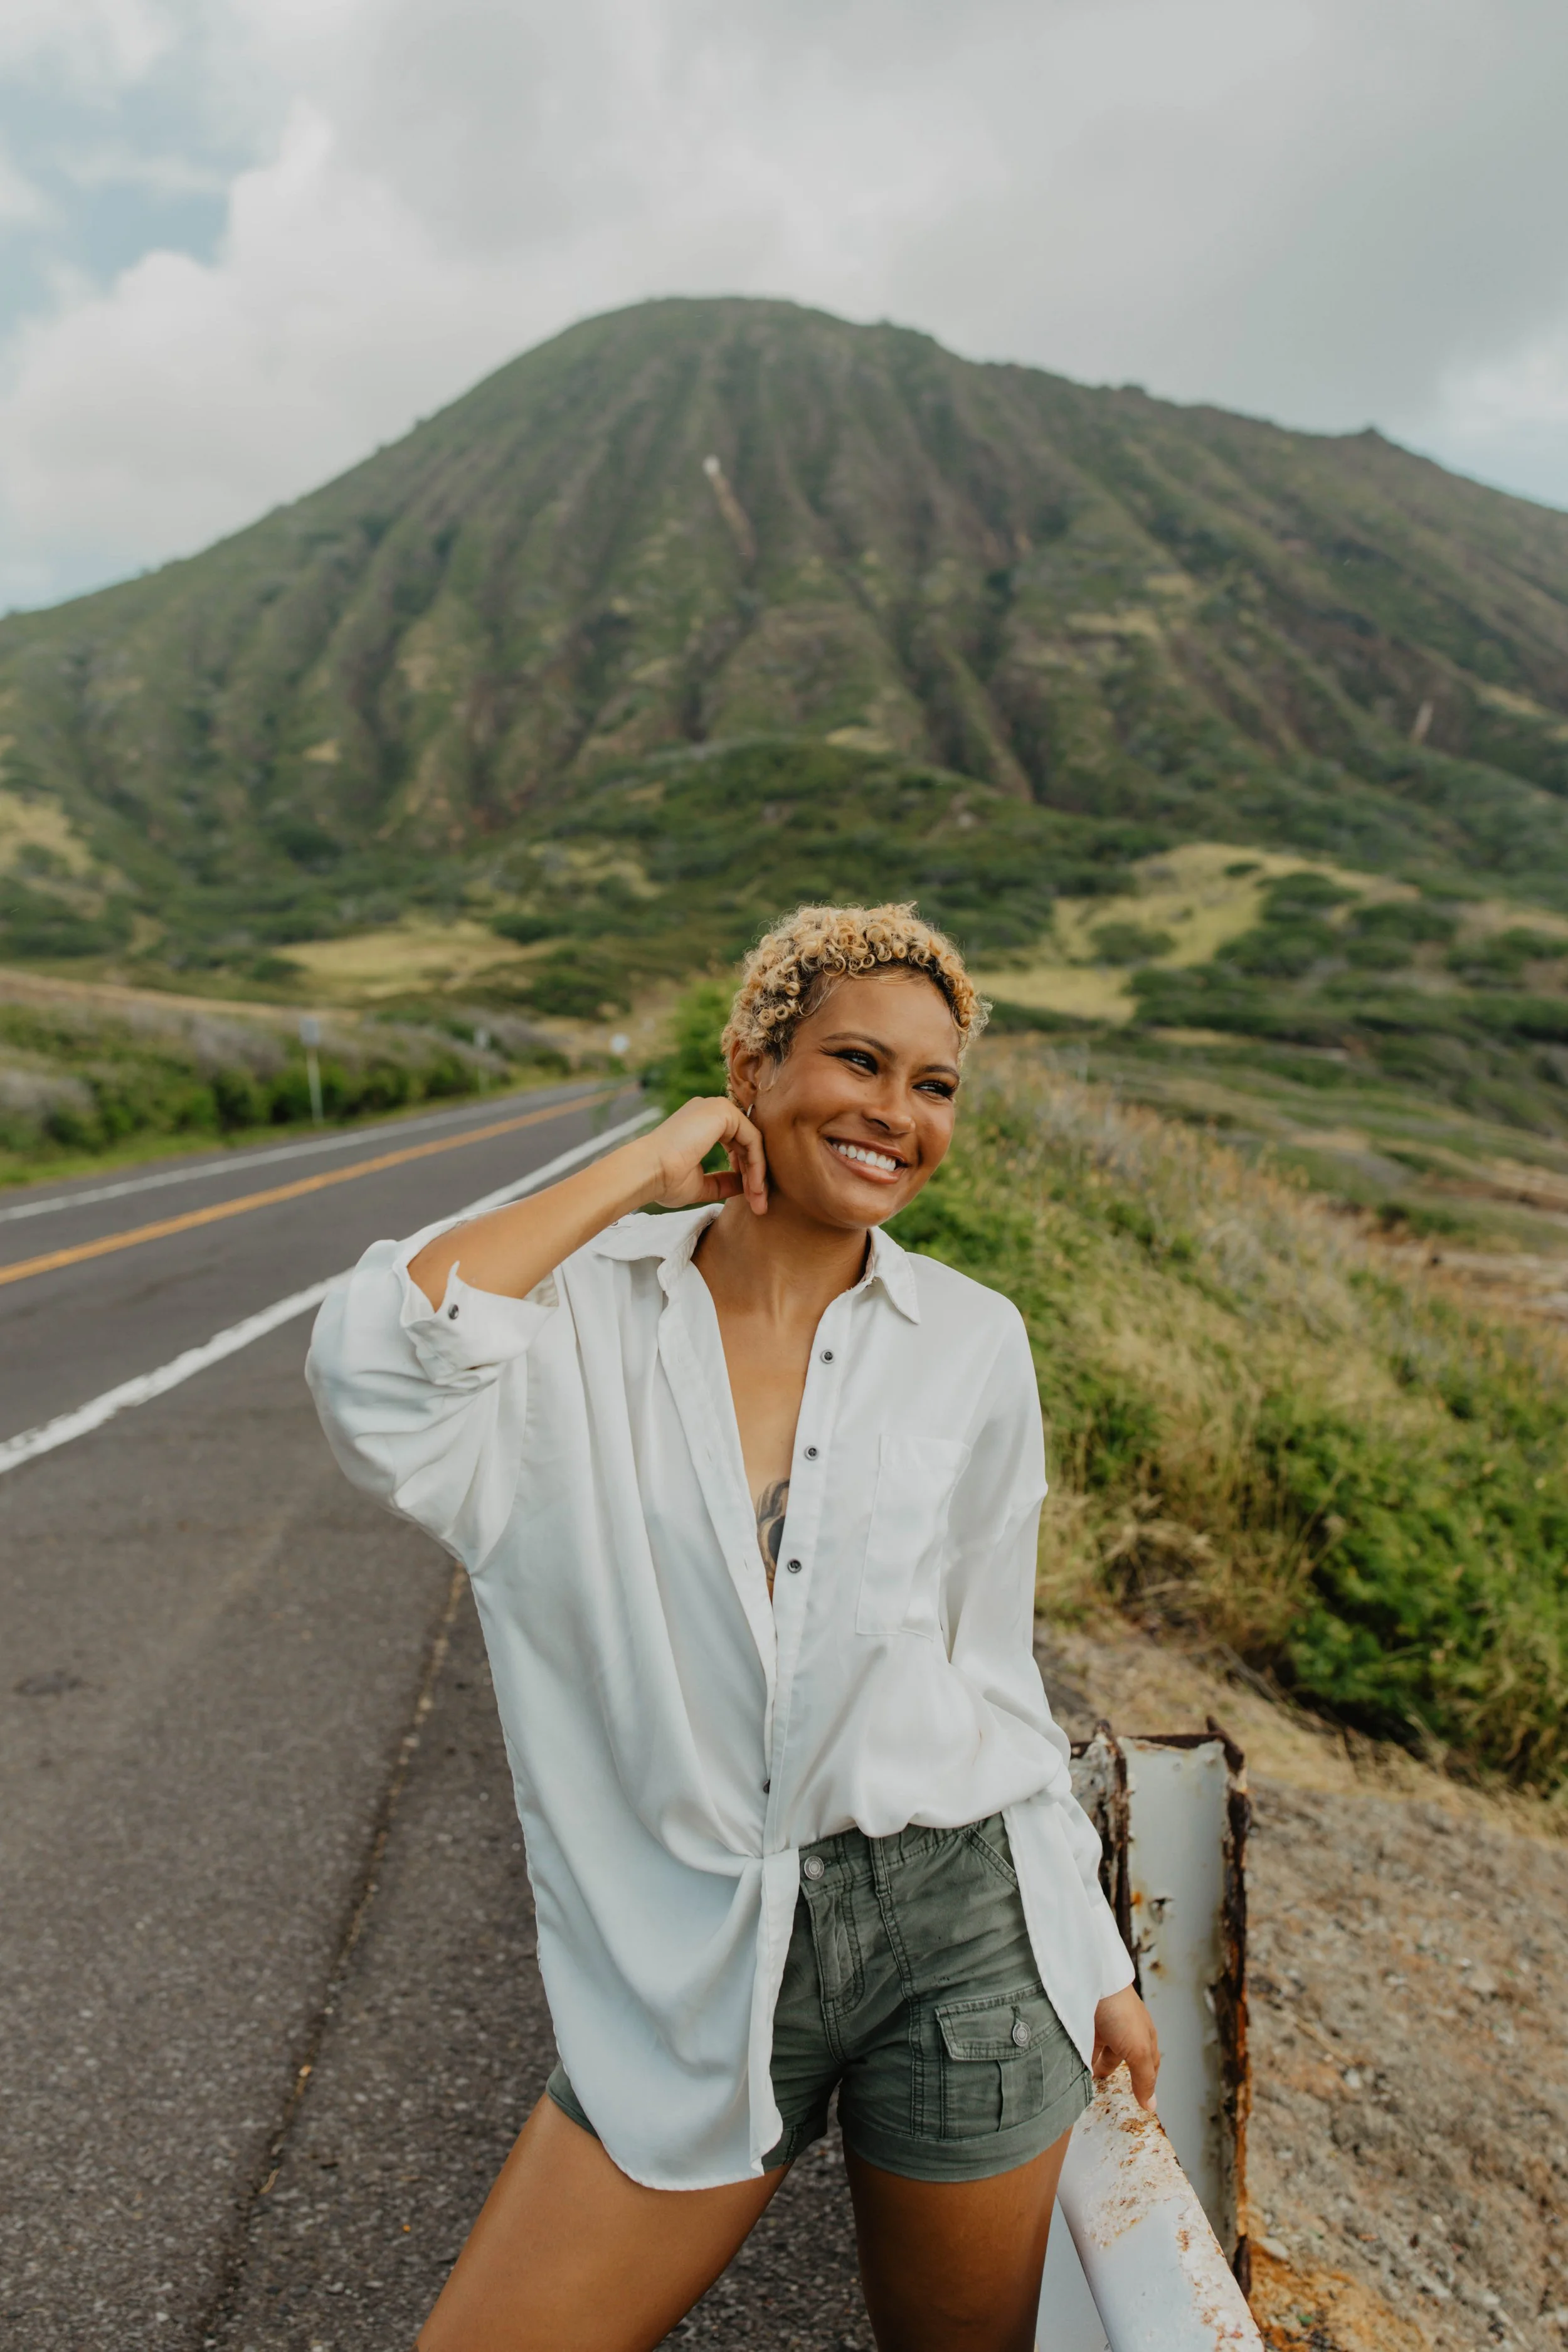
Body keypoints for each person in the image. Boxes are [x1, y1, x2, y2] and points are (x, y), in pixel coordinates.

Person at [307, 903, 1158, 2352]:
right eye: (854, 1060)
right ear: (750, 1065)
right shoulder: (568, 1328)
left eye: (932, 1084)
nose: (895, 1112)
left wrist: (1089, 1957)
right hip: (694, 1949)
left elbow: (987, 1673)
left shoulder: (972, 1340)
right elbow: (374, 1366)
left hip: (960, 1934)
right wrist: (640, 1168)